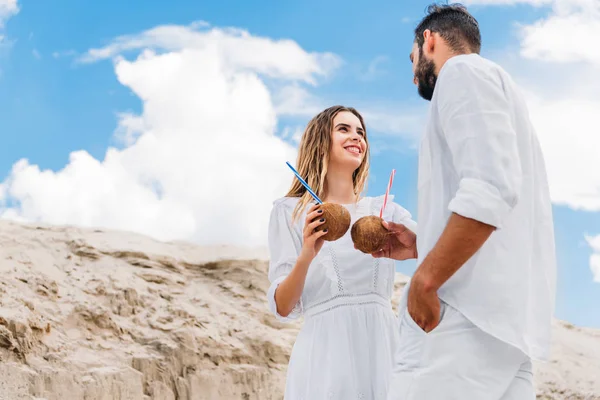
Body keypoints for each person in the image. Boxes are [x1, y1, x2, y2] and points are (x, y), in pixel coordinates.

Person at [378, 4, 557, 399]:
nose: (412, 77)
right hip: (506, 330)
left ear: (429, 40)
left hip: (459, 319)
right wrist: (422, 243)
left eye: (411, 60)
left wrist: (426, 280)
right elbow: (503, 201)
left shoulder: (461, 72)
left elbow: (491, 188)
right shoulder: (508, 95)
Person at [266, 105, 417, 399]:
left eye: (361, 132)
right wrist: (307, 253)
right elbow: (283, 307)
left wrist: (413, 249)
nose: (356, 137)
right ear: (321, 140)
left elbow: (438, 250)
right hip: (326, 354)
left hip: (383, 348)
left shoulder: (385, 211)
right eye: (344, 129)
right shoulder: (291, 212)